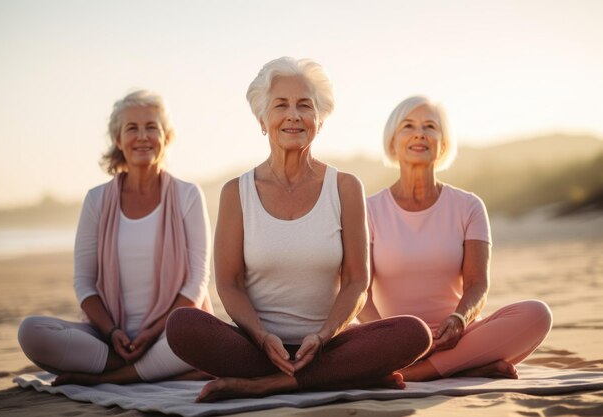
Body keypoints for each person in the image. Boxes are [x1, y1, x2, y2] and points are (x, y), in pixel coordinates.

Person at [165, 57, 432, 403]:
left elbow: (356, 282)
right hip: (257, 348)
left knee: (413, 333)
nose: (293, 115)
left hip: (328, 345)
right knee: (182, 325)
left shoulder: (346, 187)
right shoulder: (236, 192)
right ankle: (329, 377)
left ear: (320, 120)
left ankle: (271, 384)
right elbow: (229, 283)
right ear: (263, 120)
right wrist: (262, 338)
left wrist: (322, 336)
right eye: (281, 105)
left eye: (305, 105)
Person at [18, 90, 213, 385]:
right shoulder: (97, 200)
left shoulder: (187, 195)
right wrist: (112, 332)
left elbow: (197, 283)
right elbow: (84, 283)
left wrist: (153, 331)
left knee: (202, 332)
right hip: (108, 338)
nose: (143, 136)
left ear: (166, 137)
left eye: (152, 127)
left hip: (169, 334)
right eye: (131, 128)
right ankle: (141, 369)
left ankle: (113, 376)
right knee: (31, 331)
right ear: (118, 140)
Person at [359, 95, 553, 381]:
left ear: (443, 143)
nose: (420, 133)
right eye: (408, 126)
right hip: (394, 339)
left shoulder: (468, 206)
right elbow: (362, 292)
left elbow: (477, 285)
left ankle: (416, 374)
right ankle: (467, 366)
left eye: (430, 126)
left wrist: (460, 320)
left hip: (457, 335)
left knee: (537, 314)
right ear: (392, 142)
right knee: (336, 346)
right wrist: (387, 340)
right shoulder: (369, 210)